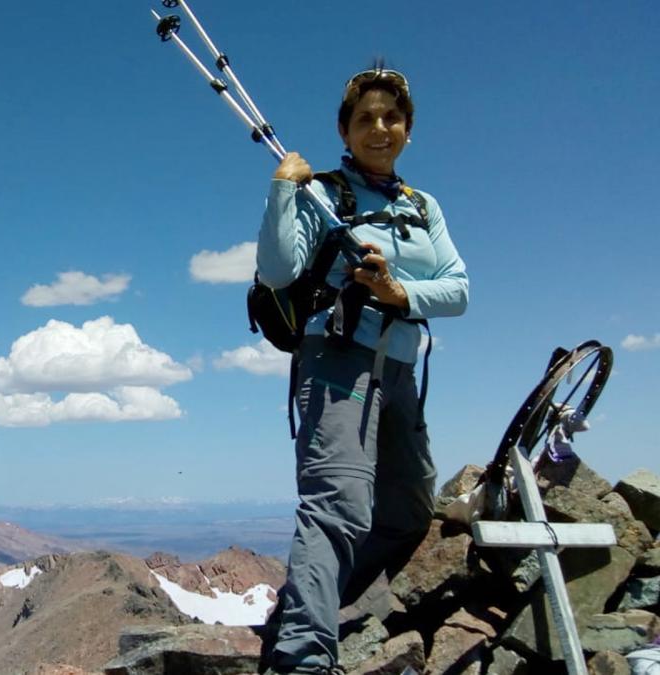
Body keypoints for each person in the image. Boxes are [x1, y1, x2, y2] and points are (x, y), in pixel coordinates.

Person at [255, 68, 469, 674]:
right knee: (338, 506)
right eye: (365, 119)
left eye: (391, 118)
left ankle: (319, 606)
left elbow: (458, 290)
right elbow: (276, 272)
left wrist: (399, 291)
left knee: (407, 510)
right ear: (344, 131)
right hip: (337, 362)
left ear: (407, 129)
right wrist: (283, 191)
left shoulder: (422, 206)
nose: (380, 128)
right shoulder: (320, 192)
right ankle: (302, 658)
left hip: (398, 368)